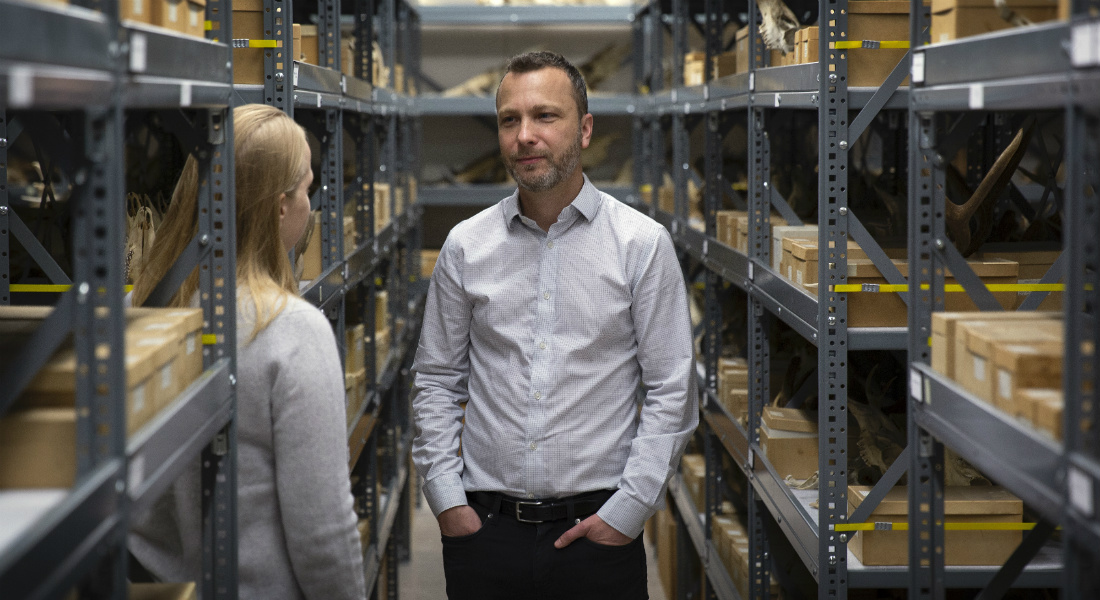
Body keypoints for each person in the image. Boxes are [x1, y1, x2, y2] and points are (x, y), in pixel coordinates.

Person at [411, 51, 698, 600]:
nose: (525, 136)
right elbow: (436, 379)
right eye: (509, 120)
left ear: (585, 129)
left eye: (546, 116)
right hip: (484, 533)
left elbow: (672, 388)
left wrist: (628, 513)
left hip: (597, 535)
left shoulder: (640, 246)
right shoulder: (467, 245)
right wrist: (448, 501)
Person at [129, 104, 367, 600]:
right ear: (281, 205)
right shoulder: (292, 330)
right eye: (305, 189)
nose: (310, 204)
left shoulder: (143, 309)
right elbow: (322, 531)